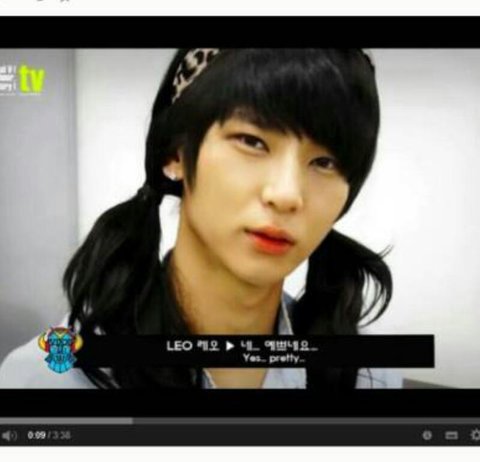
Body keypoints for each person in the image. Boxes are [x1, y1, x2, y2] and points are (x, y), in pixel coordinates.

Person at [0, 48, 400, 389]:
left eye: (324, 162)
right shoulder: (51, 379)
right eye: (252, 141)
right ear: (174, 153)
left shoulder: (368, 375)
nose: (287, 195)